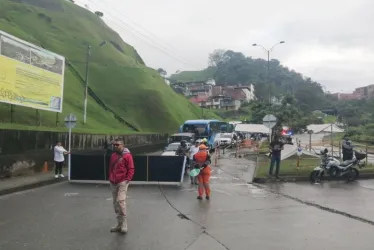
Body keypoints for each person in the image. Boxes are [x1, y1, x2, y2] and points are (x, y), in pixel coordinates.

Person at [109, 139, 135, 234]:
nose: (115, 146)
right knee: (115, 204)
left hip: (122, 181)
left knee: (120, 201)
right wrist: (110, 177)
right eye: (114, 145)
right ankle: (119, 224)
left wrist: (127, 179)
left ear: (122, 145)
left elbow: (131, 168)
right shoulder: (113, 155)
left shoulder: (128, 156)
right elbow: (111, 168)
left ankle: (124, 224)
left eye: (117, 145)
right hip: (113, 181)